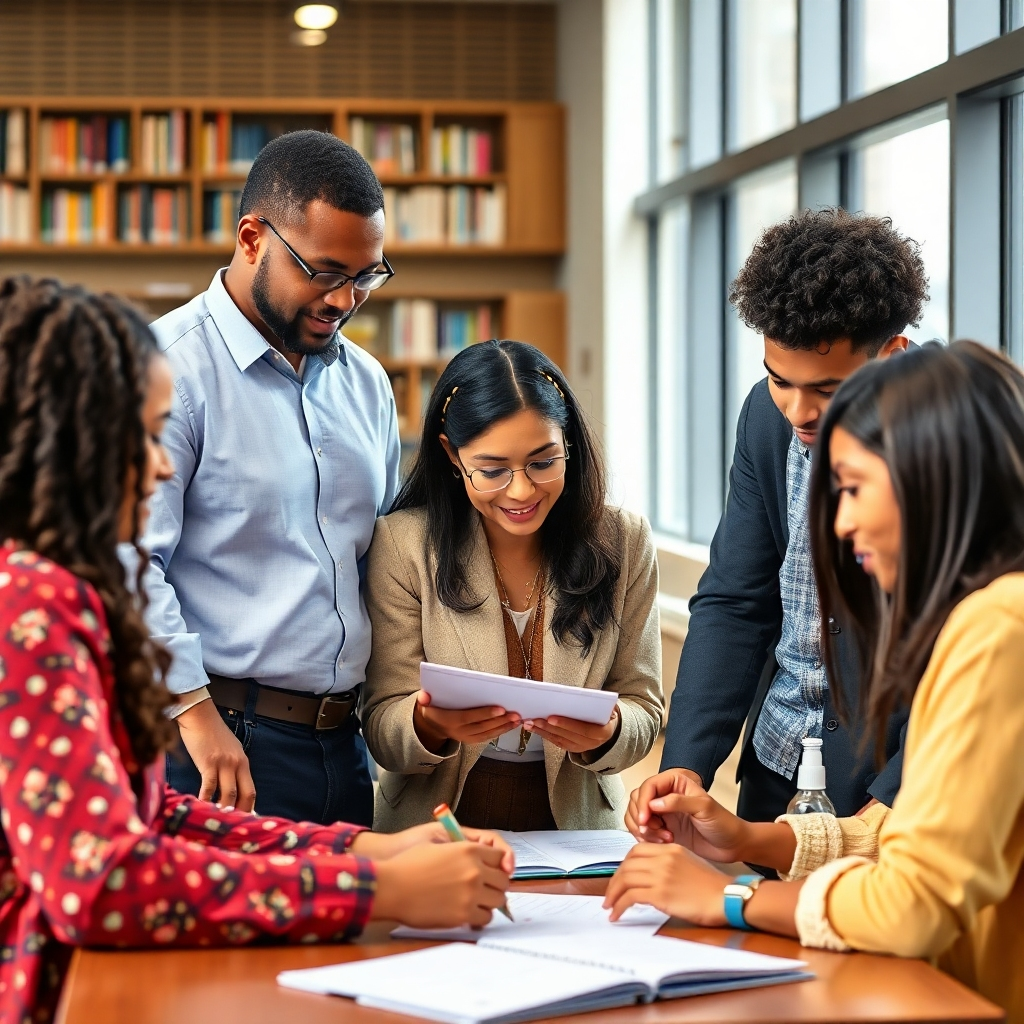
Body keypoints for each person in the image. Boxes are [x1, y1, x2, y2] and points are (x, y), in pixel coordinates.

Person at [0, 277, 513, 1024]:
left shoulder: (69, 593)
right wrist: (381, 893)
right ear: (72, 439)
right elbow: (103, 881)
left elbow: (152, 821)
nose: (166, 466)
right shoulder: (30, 608)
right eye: (145, 437)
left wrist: (364, 854)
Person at [606, 341, 1024, 1024]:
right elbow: (904, 832)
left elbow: (912, 902)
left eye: (854, 488)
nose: (840, 522)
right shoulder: (990, 613)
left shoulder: (998, 626)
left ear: (928, 476)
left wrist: (731, 899)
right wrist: (749, 842)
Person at [141, 130, 400, 824]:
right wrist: (194, 716)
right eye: (323, 271)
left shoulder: (369, 385)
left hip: (343, 746)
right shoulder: (167, 369)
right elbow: (130, 564)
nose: (344, 300)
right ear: (252, 237)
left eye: (366, 275)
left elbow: (384, 556)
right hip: (217, 740)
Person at [645, 209, 929, 835]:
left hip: (890, 789)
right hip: (778, 768)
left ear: (892, 357)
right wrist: (687, 763)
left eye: (827, 390)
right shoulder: (765, 417)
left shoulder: (952, 439)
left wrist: (896, 799)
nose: (799, 412)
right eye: (780, 380)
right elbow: (736, 598)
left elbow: (968, 654)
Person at [361, 340, 664, 832]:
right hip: (435, 825)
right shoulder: (403, 544)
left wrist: (608, 732)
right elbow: (380, 724)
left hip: (578, 827)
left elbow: (644, 708)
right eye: (493, 470)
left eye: (543, 462)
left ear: (568, 442)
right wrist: (427, 726)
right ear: (452, 457)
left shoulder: (624, 541)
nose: (521, 491)